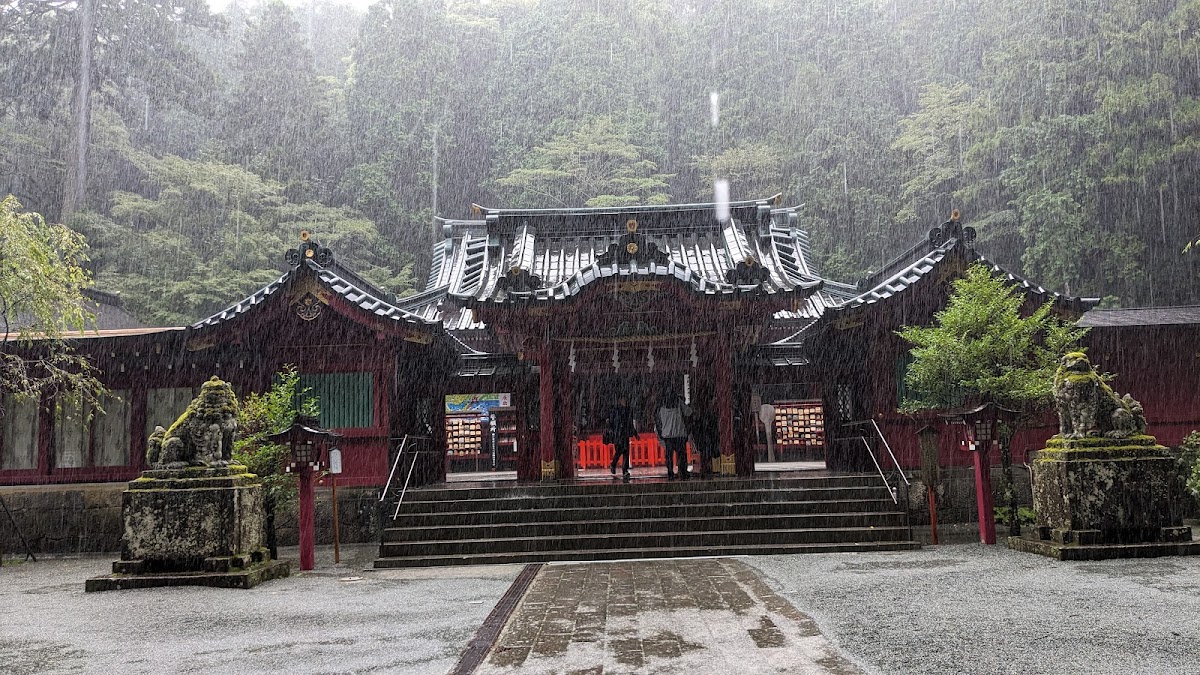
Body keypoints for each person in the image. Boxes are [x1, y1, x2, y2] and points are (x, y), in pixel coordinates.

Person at [656, 391, 692, 480]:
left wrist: (661, 433)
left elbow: (658, 421)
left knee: (669, 456)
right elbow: (689, 412)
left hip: (667, 435)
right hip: (679, 433)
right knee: (682, 455)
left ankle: (670, 473)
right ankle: (682, 472)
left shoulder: (661, 407)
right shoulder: (679, 403)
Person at [607, 395, 637, 479]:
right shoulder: (616, 411)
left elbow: (629, 423)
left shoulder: (627, 411)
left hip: (624, 433)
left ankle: (624, 470)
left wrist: (634, 433)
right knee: (620, 451)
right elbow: (612, 423)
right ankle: (614, 464)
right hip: (618, 434)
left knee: (625, 452)